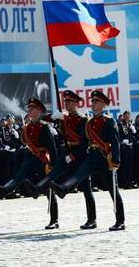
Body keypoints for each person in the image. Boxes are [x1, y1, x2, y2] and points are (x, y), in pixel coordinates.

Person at [50, 90, 125, 231]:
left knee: (112, 190)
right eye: (92, 101)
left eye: (96, 102)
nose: (93, 104)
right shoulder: (89, 122)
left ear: (103, 104)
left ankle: (120, 221)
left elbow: (115, 143)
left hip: (105, 159)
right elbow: (82, 138)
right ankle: (64, 190)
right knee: (79, 174)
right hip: (92, 156)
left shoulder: (109, 121)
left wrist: (116, 161)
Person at [24, 91, 96, 229]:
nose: (67, 104)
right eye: (66, 102)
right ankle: (37, 189)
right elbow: (45, 117)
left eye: (69, 102)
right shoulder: (64, 117)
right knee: (53, 173)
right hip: (66, 151)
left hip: (79, 155)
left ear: (76, 103)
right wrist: (54, 115)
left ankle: (92, 219)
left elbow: (85, 142)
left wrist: (73, 156)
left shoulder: (83, 119)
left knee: (86, 188)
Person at [0, 98, 59, 230]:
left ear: (39, 111)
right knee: (19, 176)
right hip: (30, 157)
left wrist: (54, 165)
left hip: (41, 158)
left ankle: (54, 219)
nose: (29, 111)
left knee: (48, 189)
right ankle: (4, 190)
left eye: (32, 109)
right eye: (29, 109)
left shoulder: (44, 126)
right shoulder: (27, 127)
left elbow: (52, 148)